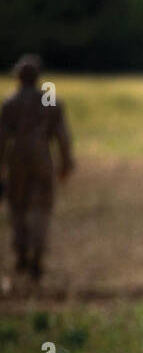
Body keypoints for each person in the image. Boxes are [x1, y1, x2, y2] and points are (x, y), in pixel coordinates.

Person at [0, 54, 73, 283]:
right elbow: (62, 137)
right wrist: (65, 163)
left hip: (17, 159)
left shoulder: (10, 103)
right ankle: (37, 256)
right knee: (41, 207)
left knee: (18, 206)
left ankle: (21, 252)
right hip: (43, 156)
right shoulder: (50, 101)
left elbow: (1, 138)